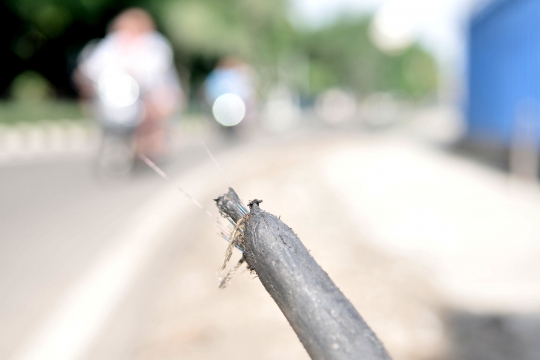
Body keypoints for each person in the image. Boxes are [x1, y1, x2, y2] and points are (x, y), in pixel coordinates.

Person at [75, 8, 183, 159]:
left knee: (154, 104)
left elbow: (157, 70)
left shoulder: (155, 44)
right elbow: (92, 66)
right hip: (116, 91)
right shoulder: (111, 43)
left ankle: (151, 140)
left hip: (147, 90)